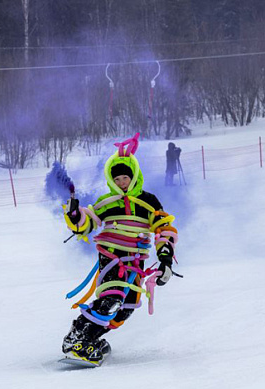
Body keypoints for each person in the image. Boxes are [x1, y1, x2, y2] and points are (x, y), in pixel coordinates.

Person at [62, 133, 179, 364]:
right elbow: (88, 223)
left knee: (126, 306)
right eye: (118, 179)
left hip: (136, 261)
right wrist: (76, 217)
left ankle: (88, 337)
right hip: (112, 256)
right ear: (111, 180)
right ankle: (80, 338)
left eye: (126, 177)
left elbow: (163, 229)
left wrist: (165, 259)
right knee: (112, 297)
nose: (122, 183)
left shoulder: (149, 202)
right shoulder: (107, 202)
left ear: (134, 176)